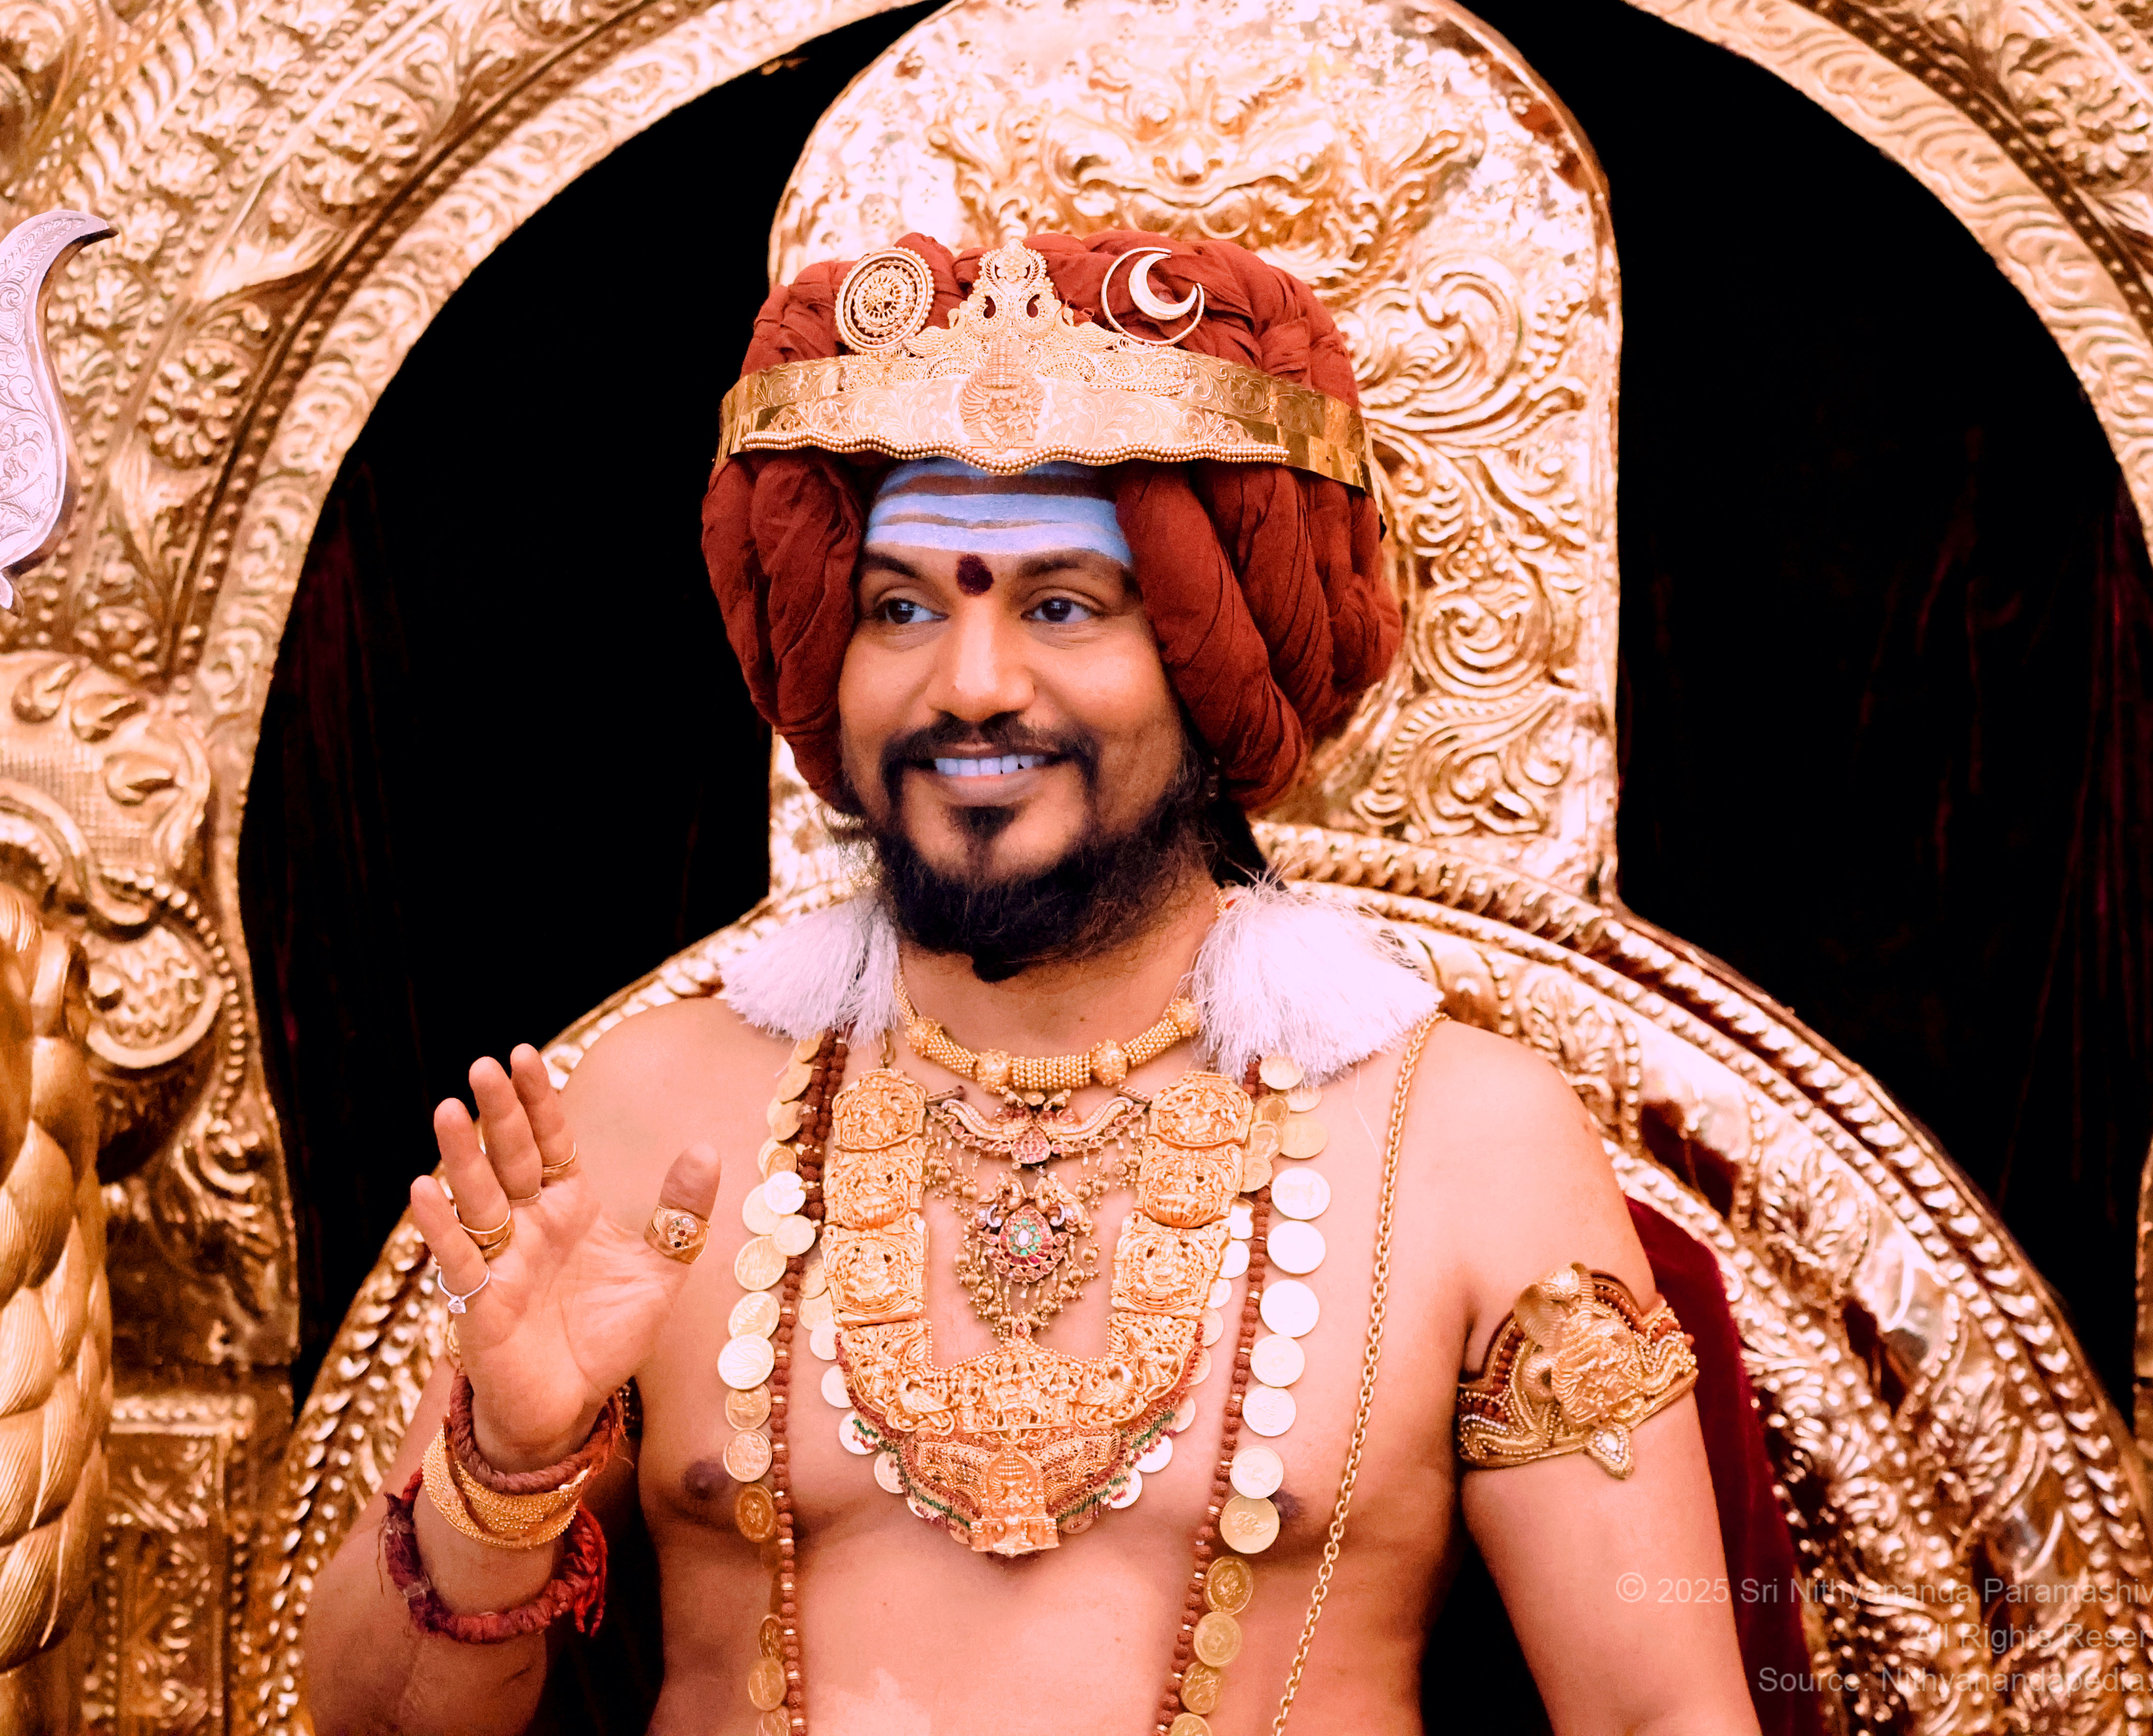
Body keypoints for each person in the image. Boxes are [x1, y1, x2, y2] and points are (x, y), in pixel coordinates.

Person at [302, 229, 1773, 1735]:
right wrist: (503, 1470)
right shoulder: (662, 1115)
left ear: (1210, 662)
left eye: (1062, 606)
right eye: (900, 608)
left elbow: (1664, 1718)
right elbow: (362, 1726)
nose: (971, 684)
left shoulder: (1462, 1142)